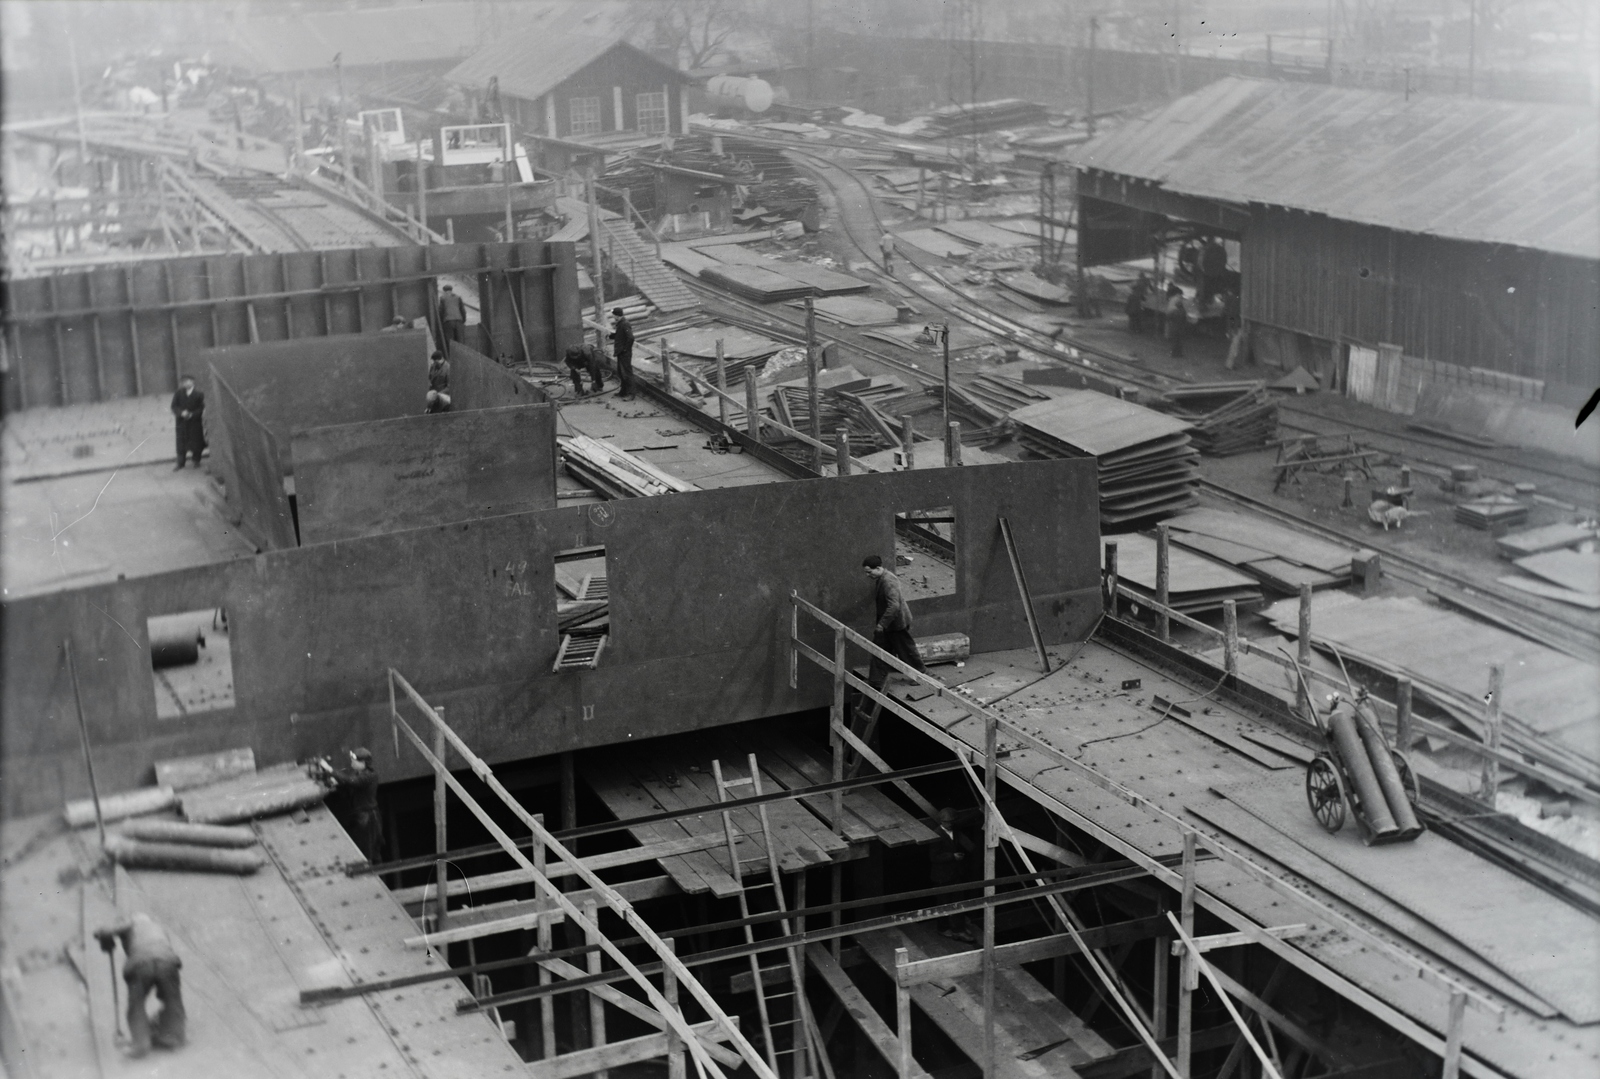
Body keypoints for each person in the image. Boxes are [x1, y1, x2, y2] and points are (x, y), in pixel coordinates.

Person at [94, 913, 185, 1057]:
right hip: (167, 961)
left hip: (141, 963)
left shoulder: (131, 923)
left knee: (136, 1005)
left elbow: (106, 931)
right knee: (172, 999)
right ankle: (173, 1036)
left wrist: (103, 936)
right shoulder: (158, 927)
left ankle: (141, 1045)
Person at [863, 554, 925, 688]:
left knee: (906, 650)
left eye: (869, 572)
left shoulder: (888, 581)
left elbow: (894, 606)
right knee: (880, 649)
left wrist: (881, 624)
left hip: (897, 623)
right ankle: (876, 680)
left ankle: (919, 675)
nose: (868, 575)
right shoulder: (881, 578)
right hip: (889, 624)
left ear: (878, 568)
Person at [318, 747, 383, 862]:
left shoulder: (370, 776)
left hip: (368, 818)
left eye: (355, 761)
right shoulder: (360, 773)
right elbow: (351, 783)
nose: (352, 762)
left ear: (363, 763)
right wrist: (337, 783)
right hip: (362, 816)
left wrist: (329, 769)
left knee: (368, 850)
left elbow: (352, 782)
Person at [928, 807, 978, 942]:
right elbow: (934, 857)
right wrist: (952, 856)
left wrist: (979, 810)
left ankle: (958, 928)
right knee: (944, 903)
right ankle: (944, 929)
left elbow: (964, 820)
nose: (949, 824)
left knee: (957, 900)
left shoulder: (953, 830)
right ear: (941, 822)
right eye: (947, 822)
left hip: (954, 874)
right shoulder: (936, 834)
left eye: (951, 822)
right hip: (941, 877)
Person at [170, 375, 205, 469]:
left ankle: (196, 460)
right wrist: (181, 413)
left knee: (196, 441)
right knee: (181, 443)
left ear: (193, 382)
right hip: (181, 422)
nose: (186, 383)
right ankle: (180, 463)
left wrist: (192, 414)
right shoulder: (178, 393)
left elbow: (201, 408)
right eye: (184, 382)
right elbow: (174, 406)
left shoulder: (199, 394)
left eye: (188, 381)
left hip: (194, 423)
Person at [609, 308, 635, 399]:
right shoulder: (620, 324)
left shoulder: (625, 324)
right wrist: (612, 336)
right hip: (620, 352)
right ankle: (623, 392)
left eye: (613, 315)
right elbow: (621, 335)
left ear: (617, 315)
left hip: (624, 353)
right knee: (621, 372)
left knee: (627, 373)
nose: (612, 316)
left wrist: (625, 349)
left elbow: (630, 338)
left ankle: (631, 394)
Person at [1199, 236, 1228, 309]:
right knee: (1209, 288)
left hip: (1208, 272)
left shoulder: (1208, 248)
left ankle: (1205, 303)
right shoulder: (1220, 249)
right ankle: (1207, 302)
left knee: (1205, 288)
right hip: (1214, 272)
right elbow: (1223, 261)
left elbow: (1203, 260)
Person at [437, 284, 466, 354]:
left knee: (450, 342)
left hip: (448, 321)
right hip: (459, 321)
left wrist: (441, 322)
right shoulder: (458, 297)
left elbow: (441, 311)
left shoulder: (442, 298)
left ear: (444, 291)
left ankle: (452, 359)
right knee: (460, 341)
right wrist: (463, 320)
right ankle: (462, 358)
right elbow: (463, 310)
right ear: (451, 290)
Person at [1165, 285, 1188, 359]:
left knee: (1174, 341)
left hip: (1174, 327)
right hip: (1180, 328)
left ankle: (1174, 353)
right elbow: (1184, 319)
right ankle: (1179, 353)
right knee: (1179, 341)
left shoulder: (1174, 308)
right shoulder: (1182, 311)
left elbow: (1169, 317)